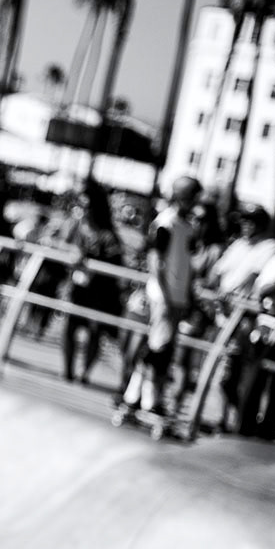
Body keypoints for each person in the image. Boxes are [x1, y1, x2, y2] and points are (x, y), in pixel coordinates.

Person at [118, 176, 201, 421]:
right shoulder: (167, 222)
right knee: (157, 349)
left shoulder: (186, 225)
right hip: (163, 295)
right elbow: (155, 259)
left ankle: (137, 396)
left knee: (161, 350)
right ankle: (145, 400)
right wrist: (164, 295)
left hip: (177, 296)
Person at [59, 178, 125, 385]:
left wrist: (93, 258)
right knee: (70, 327)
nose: (83, 209)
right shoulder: (74, 224)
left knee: (94, 332)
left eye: (87, 205)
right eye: (80, 204)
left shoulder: (107, 234)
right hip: (77, 287)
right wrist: (72, 250)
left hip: (99, 291)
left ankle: (84, 374)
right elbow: (58, 242)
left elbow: (116, 260)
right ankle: (68, 371)